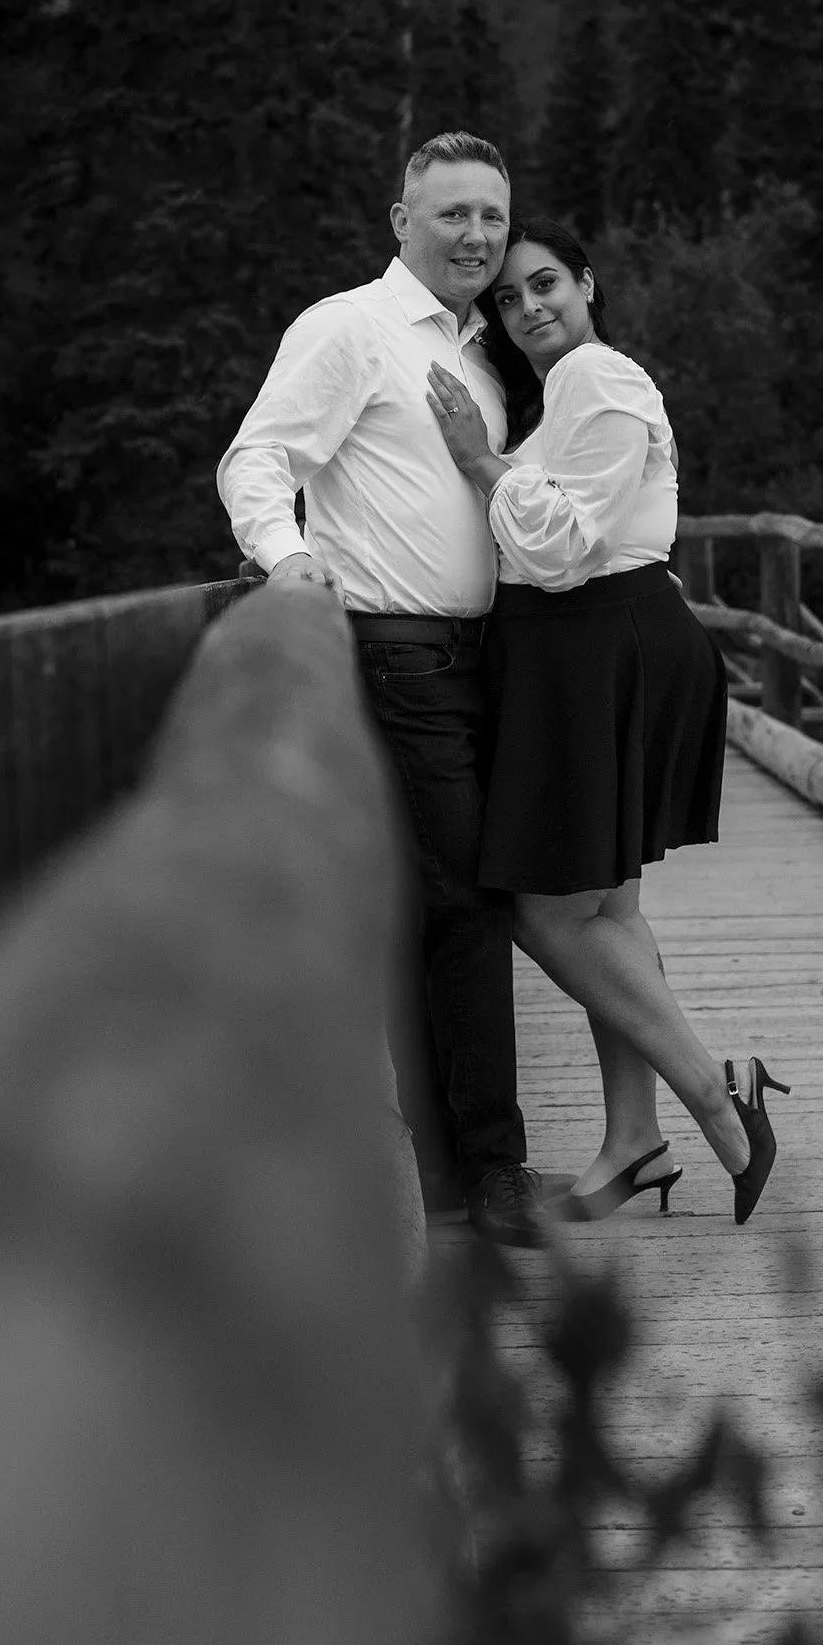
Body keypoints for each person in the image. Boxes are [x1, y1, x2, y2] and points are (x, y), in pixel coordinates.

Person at [217, 132, 549, 1248]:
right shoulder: (349, 328)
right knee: (467, 899)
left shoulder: (486, 346)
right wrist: (285, 557)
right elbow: (257, 460)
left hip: (484, 658)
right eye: (452, 213)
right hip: (395, 657)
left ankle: (450, 1165)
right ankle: (493, 1167)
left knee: (441, 902)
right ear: (401, 221)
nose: (475, 235)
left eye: (491, 216)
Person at [424, 217, 788, 1225]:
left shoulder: (600, 375)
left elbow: (559, 546)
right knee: (607, 913)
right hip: (583, 649)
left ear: (585, 284)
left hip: (595, 646)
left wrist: (477, 461)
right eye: (507, 298)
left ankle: (718, 1102)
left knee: (545, 913)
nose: (527, 307)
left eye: (544, 283)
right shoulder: (560, 395)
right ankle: (634, 1140)